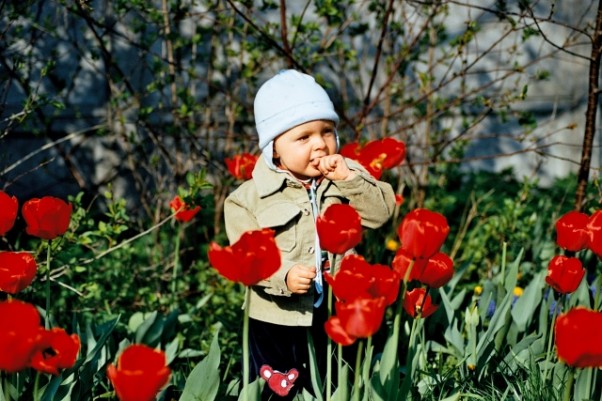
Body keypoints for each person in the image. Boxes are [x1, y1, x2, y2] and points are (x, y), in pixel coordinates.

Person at [224, 69, 396, 400]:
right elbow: (249, 257)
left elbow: (381, 214)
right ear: (275, 149)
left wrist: (349, 178)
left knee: (335, 381)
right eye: (304, 137)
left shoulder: (345, 177)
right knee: (277, 388)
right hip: (277, 315)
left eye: (327, 131)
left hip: (335, 308)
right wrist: (284, 274)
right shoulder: (248, 200)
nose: (320, 143)